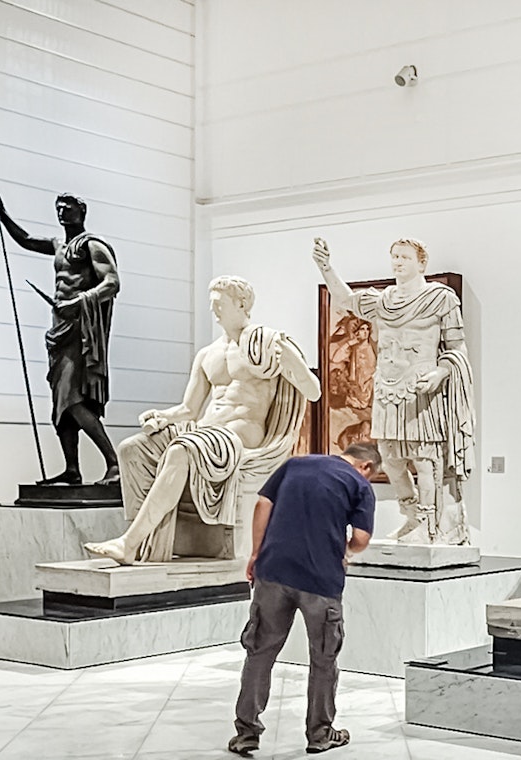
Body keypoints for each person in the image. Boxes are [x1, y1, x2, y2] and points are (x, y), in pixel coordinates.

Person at [85, 276, 320, 564]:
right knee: (132, 450)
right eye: (212, 304)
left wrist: (293, 362)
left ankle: (129, 543)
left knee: (182, 449)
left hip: (238, 437)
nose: (214, 310)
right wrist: (163, 416)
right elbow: (189, 409)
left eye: (219, 303)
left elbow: (314, 391)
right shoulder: (208, 354)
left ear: (242, 304)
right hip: (203, 432)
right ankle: (152, 540)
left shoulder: (266, 346)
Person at [312, 237, 475, 545]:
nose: (398, 262)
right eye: (394, 257)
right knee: (390, 456)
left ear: (421, 263)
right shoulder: (384, 301)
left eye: (404, 257)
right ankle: (411, 515)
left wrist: (442, 371)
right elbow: (346, 300)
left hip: (422, 386)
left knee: (424, 457)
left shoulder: (440, 298)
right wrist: (326, 267)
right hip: (388, 387)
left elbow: (457, 347)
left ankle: (430, 523)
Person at [229, 442, 381, 757]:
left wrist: (256, 554)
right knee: (324, 659)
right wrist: (346, 550)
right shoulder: (359, 484)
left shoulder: (294, 465)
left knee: (260, 652)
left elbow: (262, 505)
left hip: (274, 572)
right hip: (321, 582)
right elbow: (362, 539)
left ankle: (246, 733)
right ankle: (320, 735)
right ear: (366, 466)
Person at [0, 186, 121, 485]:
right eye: (58, 207)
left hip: (80, 331)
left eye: (68, 207)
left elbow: (111, 282)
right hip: (59, 330)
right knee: (60, 408)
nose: (62, 212)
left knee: (72, 400)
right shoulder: (59, 245)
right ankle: (72, 470)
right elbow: (26, 240)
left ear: (81, 212)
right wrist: (1, 211)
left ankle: (114, 464)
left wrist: (78, 301)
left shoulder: (92, 245)